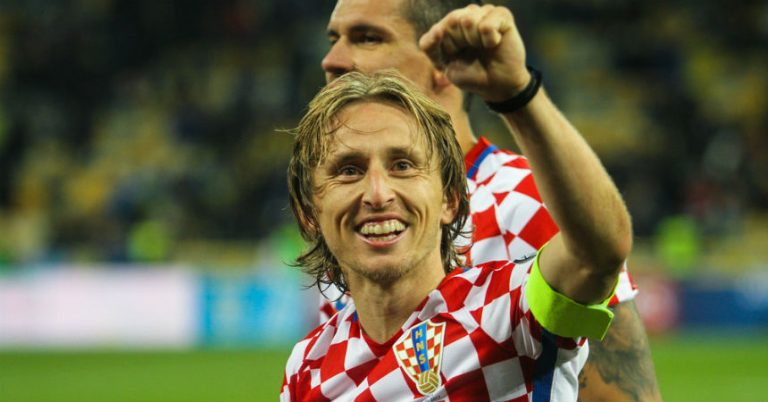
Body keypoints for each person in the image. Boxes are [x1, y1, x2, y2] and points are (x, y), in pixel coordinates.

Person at [316, 1, 662, 400]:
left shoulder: (527, 200)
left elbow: (621, 394)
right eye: (334, 39)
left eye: (367, 38)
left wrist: (517, 95)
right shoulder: (358, 221)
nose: (332, 60)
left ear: (443, 58)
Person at [281, 70, 631, 401]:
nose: (378, 194)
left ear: (450, 199)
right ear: (308, 212)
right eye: (349, 170)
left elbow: (597, 256)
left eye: (402, 166)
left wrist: (520, 96)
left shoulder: (506, 310)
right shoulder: (308, 367)